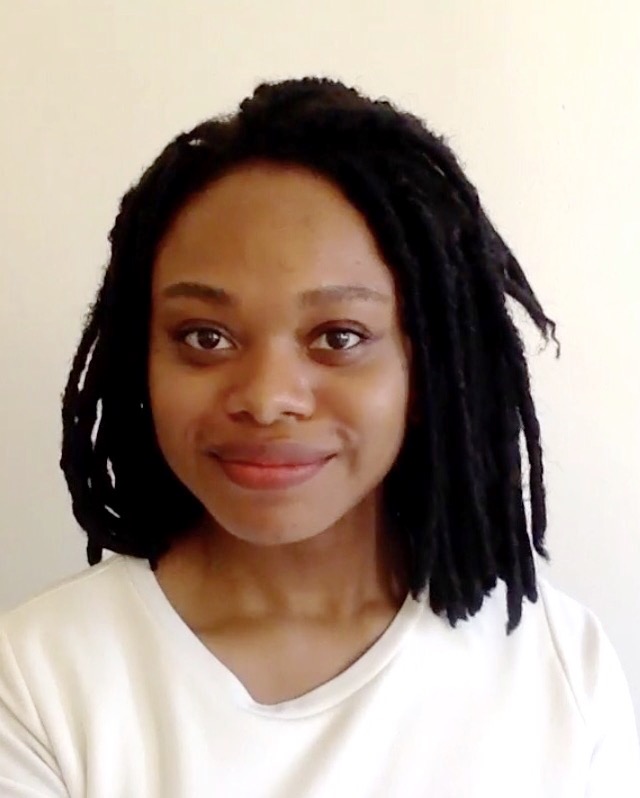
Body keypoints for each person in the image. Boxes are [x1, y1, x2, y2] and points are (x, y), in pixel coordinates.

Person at [1, 77, 638, 797]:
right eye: (204, 336)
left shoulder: (556, 667)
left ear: (429, 368)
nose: (268, 398)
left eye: (338, 336)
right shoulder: (37, 679)